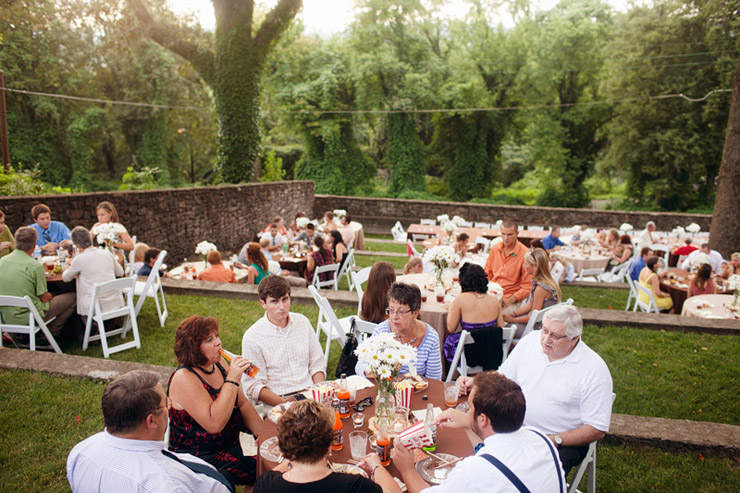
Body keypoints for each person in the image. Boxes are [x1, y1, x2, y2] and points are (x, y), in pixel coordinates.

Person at [473, 305, 613, 476]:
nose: (546, 339)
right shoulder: (531, 340)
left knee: (532, 478)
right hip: (514, 426)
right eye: (544, 330)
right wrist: (475, 381)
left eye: (555, 336)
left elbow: (596, 428)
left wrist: (554, 439)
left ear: (574, 339)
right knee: (475, 456)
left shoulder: (594, 369)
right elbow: (503, 376)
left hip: (560, 441)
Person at [394, 372, 566, 493]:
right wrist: (468, 423)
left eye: (470, 408)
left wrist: (407, 469)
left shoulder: (473, 470)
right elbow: (496, 453)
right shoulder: (539, 436)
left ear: (483, 419)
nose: (468, 412)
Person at [67, 370, 232, 493]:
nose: (170, 405)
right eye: (165, 402)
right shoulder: (165, 485)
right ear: (151, 420)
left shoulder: (81, 452)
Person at [168, 316, 263, 487]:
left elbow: (242, 404)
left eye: (217, 336)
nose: (218, 342)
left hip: (231, 444)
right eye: (209, 340)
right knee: (263, 470)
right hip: (201, 455)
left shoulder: (217, 365)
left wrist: (264, 436)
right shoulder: (184, 378)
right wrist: (233, 379)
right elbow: (214, 424)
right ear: (194, 348)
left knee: (273, 457)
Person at [254, 400, 400, 493]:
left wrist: (291, 459)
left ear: (283, 445)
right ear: (329, 445)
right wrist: (376, 466)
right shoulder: (353, 485)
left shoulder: (266, 485)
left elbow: (273, 474)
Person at [241, 276, 325, 405]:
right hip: (278, 401)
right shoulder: (252, 337)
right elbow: (253, 386)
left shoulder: (302, 322)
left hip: (311, 393)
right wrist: (287, 404)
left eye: (285, 299)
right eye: (274, 301)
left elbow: (317, 363)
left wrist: (320, 392)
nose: (282, 307)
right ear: (263, 304)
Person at [0, 227, 76, 339]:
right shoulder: (35, 266)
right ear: (34, 243)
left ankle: (19, 335)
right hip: (31, 315)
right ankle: (49, 334)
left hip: (7, 316)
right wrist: (53, 294)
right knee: (73, 297)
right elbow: (44, 298)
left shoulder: (2, 261)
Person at [355, 283, 442, 380]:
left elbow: (434, 379)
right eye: (391, 310)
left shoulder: (430, 338)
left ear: (415, 313)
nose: (394, 317)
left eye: (400, 312)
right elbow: (360, 364)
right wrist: (369, 371)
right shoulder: (382, 331)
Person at [62, 226, 123, 323]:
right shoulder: (106, 253)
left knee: (82, 294)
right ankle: (104, 326)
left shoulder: (79, 259)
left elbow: (66, 278)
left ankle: (90, 328)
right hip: (114, 300)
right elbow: (121, 272)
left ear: (77, 245)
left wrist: (66, 268)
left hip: (94, 305)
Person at [444, 264, 503, 362]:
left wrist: (451, 307)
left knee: (449, 340)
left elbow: (451, 328)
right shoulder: (494, 300)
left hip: (470, 353)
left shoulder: (460, 299)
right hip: (492, 351)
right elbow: (501, 328)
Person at [504, 248, 561, 337]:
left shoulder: (541, 289)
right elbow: (530, 304)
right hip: (539, 322)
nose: (523, 266)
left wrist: (512, 320)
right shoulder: (543, 281)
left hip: (536, 328)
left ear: (535, 266)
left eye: (526, 263)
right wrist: (513, 314)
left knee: (503, 329)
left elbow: (532, 317)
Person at [484, 219, 533, 315]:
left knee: (487, 315)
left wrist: (510, 300)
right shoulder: (495, 249)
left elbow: (527, 287)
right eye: (503, 234)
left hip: (510, 300)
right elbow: (487, 273)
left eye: (510, 234)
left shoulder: (525, 254)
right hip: (491, 294)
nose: (506, 238)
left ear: (517, 233)